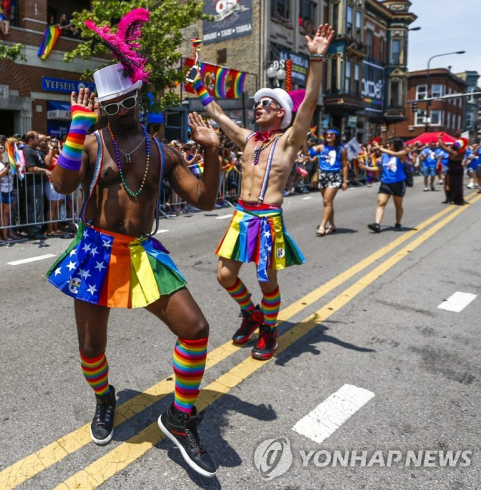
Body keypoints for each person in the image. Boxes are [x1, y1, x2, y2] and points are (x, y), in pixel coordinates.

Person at [49, 58, 220, 477]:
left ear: (139, 99)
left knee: (195, 329)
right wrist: (75, 128)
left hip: (141, 253)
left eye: (129, 101)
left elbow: (204, 199)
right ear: (103, 108)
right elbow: (61, 185)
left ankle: (180, 418)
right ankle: (106, 399)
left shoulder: (164, 152)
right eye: (114, 105)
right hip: (95, 253)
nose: (123, 110)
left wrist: (213, 152)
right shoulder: (91, 143)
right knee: (91, 348)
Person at [194, 24, 333, 361]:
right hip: (242, 215)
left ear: (281, 113)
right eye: (258, 104)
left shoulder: (288, 140)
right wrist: (197, 83)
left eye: (266, 104)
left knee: (267, 282)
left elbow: (310, 102)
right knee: (225, 276)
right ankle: (252, 314)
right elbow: (216, 113)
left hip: (268, 218)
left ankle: (269, 329)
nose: (259, 107)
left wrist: (316, 58)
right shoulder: (248, 138)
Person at [362, 138, 409, 233]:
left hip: (398, 182)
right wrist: (366, 167)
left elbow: (395, 154)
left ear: (395, 144)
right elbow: (379, 169)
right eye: (387, 144)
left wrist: (379, 148)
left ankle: (398, 223)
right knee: (381, 203)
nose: (388, 145)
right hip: (385, 182)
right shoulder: (384, 156)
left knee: (398, 205)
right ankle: (377, 224)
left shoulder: (402, 153)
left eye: (390, 144)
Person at [311, 128, 349, 235]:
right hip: (322, 175)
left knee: (327, 201)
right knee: (328, 202)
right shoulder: (320, 147)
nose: (329, 136)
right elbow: (308, 153)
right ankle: (332, 225)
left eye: (332, 134)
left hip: (335, 175)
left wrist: (345, 181)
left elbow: (345, 165)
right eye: (327, 134)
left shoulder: (342, 149)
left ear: (336, 136)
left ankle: (322, 226)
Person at [22, 131, 52, 239]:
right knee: (35, 207)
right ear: (30, 140)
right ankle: (34, 231)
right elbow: (31, 168)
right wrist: (44, 171)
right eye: (36, 139)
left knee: (38, 207)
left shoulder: (35, 150)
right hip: (33, 184)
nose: (38, 140)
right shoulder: (28, 150)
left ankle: (37, 229)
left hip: (39, 183)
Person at [438, 134, 467, 205]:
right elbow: (463, 145)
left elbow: (442, 145)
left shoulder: (453, 152)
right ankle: (458, 199)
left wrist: (439, 138)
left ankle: (451, 198)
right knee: (458, 184)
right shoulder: (462, 152)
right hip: (459, 167)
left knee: (449, 183)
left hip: (452, 168)